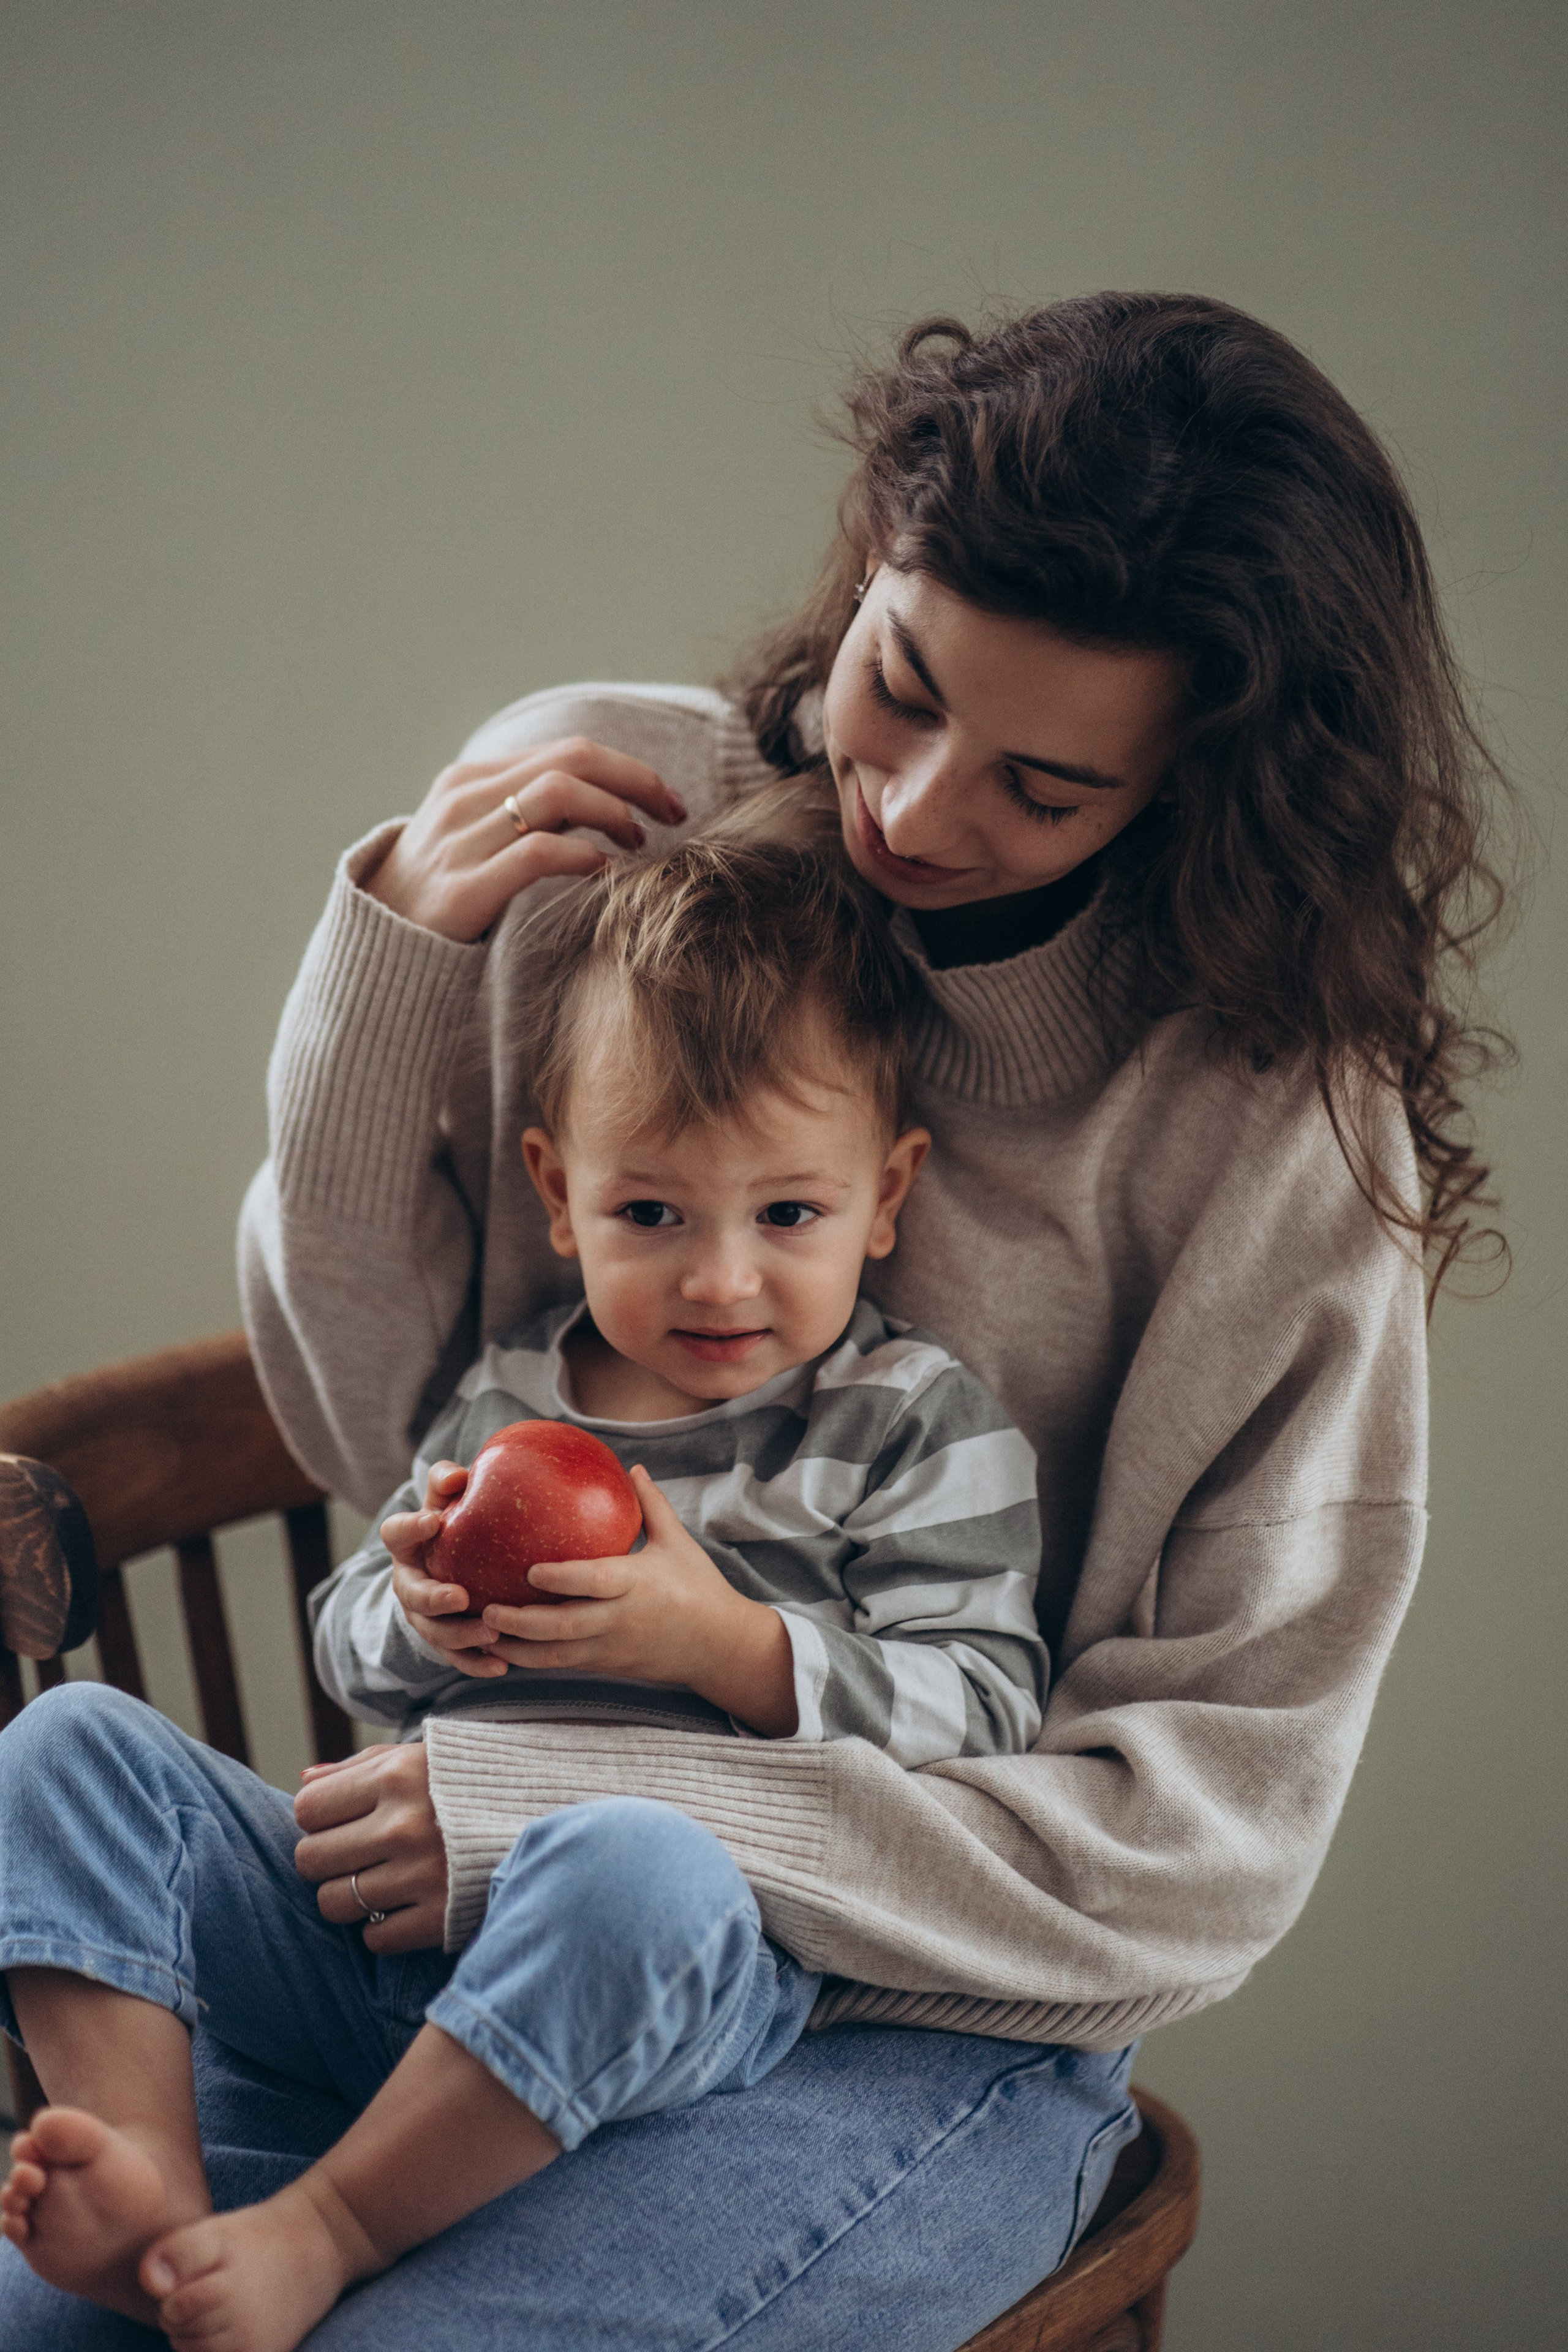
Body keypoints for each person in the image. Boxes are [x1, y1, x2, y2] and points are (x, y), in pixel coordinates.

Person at [0, 292, 1508, 2350]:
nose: (912, 809)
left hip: (909, 2017)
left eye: (1046, 789)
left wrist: (606, 1786)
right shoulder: (622, 829)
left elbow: (1194, 1854)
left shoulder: (1272, 1141)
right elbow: (381, 1439)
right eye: (902, 682)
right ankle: (182, 2184)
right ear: (869, 569)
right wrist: (383, 989)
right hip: (432, 1943)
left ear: (1194, 792)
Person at [0, 832, 1054, 2351]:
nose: (717, 1281)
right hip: (379, 1946)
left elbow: (987, 1711)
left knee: (642, 1864)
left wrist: (728, 1644)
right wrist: (412, 1609)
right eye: (651, 1215)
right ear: (558, 1197)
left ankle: (331, 2224)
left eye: (787, 1215)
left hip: (654, 1978)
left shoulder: (907, 1420)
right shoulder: (510, 1400)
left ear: (884, 1199)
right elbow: (355, 1643)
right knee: (66, 1746)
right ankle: (149, 2174)